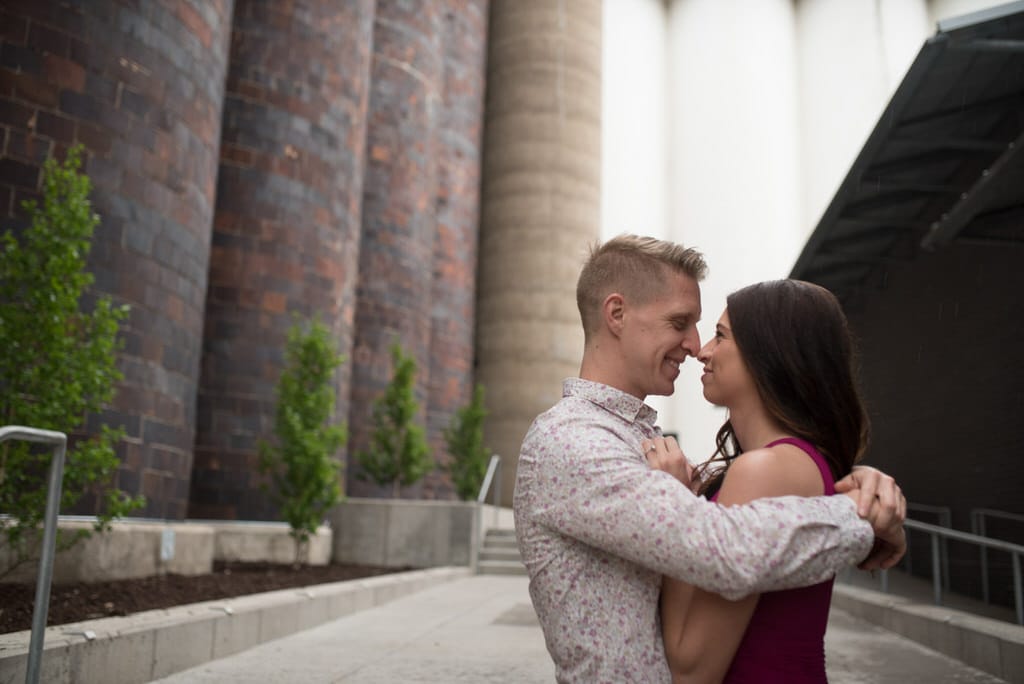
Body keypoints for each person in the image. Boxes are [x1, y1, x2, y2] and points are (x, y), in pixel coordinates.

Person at [513, 235, 905, 683]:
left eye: (709, 329)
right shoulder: (573, 441)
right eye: (680, 322)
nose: (695, 344)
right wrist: (860, 516)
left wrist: (853, 478)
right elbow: (722, 547)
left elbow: (754, 489)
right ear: (617, 314)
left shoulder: (639, 440)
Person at [653, 279, 870, 683]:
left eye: (721, 336)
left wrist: (675, 504)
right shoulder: (797, 460)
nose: (702, 352)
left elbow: (690, 667)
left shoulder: (764, 470)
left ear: (768, 354)